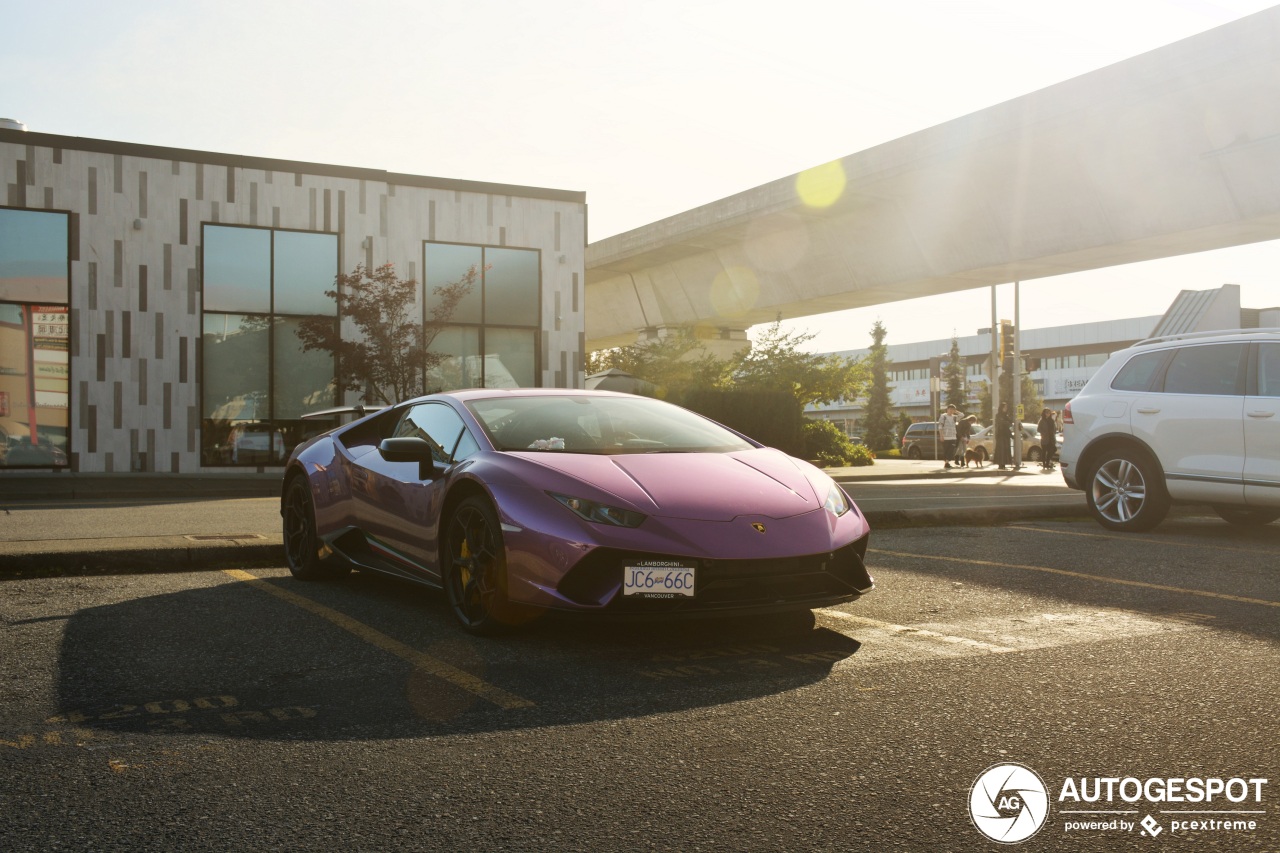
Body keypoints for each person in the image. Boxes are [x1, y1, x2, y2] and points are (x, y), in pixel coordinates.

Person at [994, 401, 1015, 469]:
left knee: (1006, 450)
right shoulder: (998, 415)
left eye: (1006, 407)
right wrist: (1007, 423)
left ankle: (1004, 464)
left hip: (1006, 435)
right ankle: (1001, 464)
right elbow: (1001, 423)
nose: (1006, 408)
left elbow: (1010, 422)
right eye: (1005, 407)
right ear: (1001, 408)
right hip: (1001, 435)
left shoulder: (1006, 415)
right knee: (1001, 450)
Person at [939, 403, 960, 470]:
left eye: (953, 409)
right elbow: (940, 426)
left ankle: (947, 462)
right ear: (947, 409)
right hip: (945, 436)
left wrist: (956, 411)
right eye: (950, 409)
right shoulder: (943, 416)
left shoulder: (954, 417)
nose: (951, 411)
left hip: (953, 436)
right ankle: (946, 463)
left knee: (951, 450)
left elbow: (962, 415)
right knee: (946, 450)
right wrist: (941, 436)